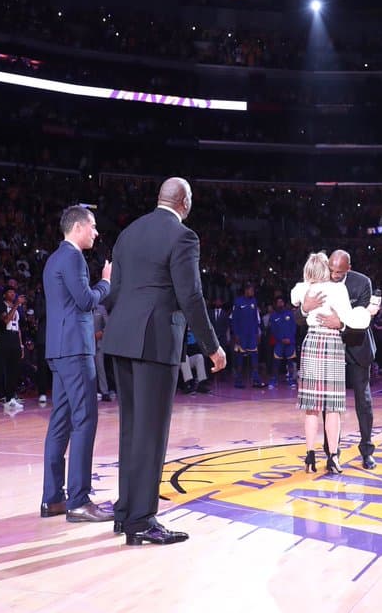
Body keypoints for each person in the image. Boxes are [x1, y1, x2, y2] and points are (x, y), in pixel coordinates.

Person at [102, 178, 227, 546]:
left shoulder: (128, 233)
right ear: (184, 202)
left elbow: (115, 291)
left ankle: (126, 512)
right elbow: (191, 296)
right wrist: (212, 347)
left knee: (131, 430)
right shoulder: (183, 237)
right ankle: (142, 520)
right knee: (152, 433)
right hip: (155, 342)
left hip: (121, 339)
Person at [39, 206, 114, 525]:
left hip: (58, 349)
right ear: (79, 227)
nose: (96, 232)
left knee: (61, 421)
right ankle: (79, 501)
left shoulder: (54, 259)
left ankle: (53, 498)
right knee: (85, 420)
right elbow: (86, 301)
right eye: (93, 226)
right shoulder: (73, 258)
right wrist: (106, 283)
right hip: (75, 349)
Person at [291, 252, 371, 474]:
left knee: (312, 407)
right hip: (332, 343)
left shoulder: (303, 288)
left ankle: (310, 456)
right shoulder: (337, 290)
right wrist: (365, 314)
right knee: (332, 406)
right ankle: (333, 457)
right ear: (326, 269)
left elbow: (293, 297)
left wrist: (306, 303)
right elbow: (350, 317)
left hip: (312, 342)